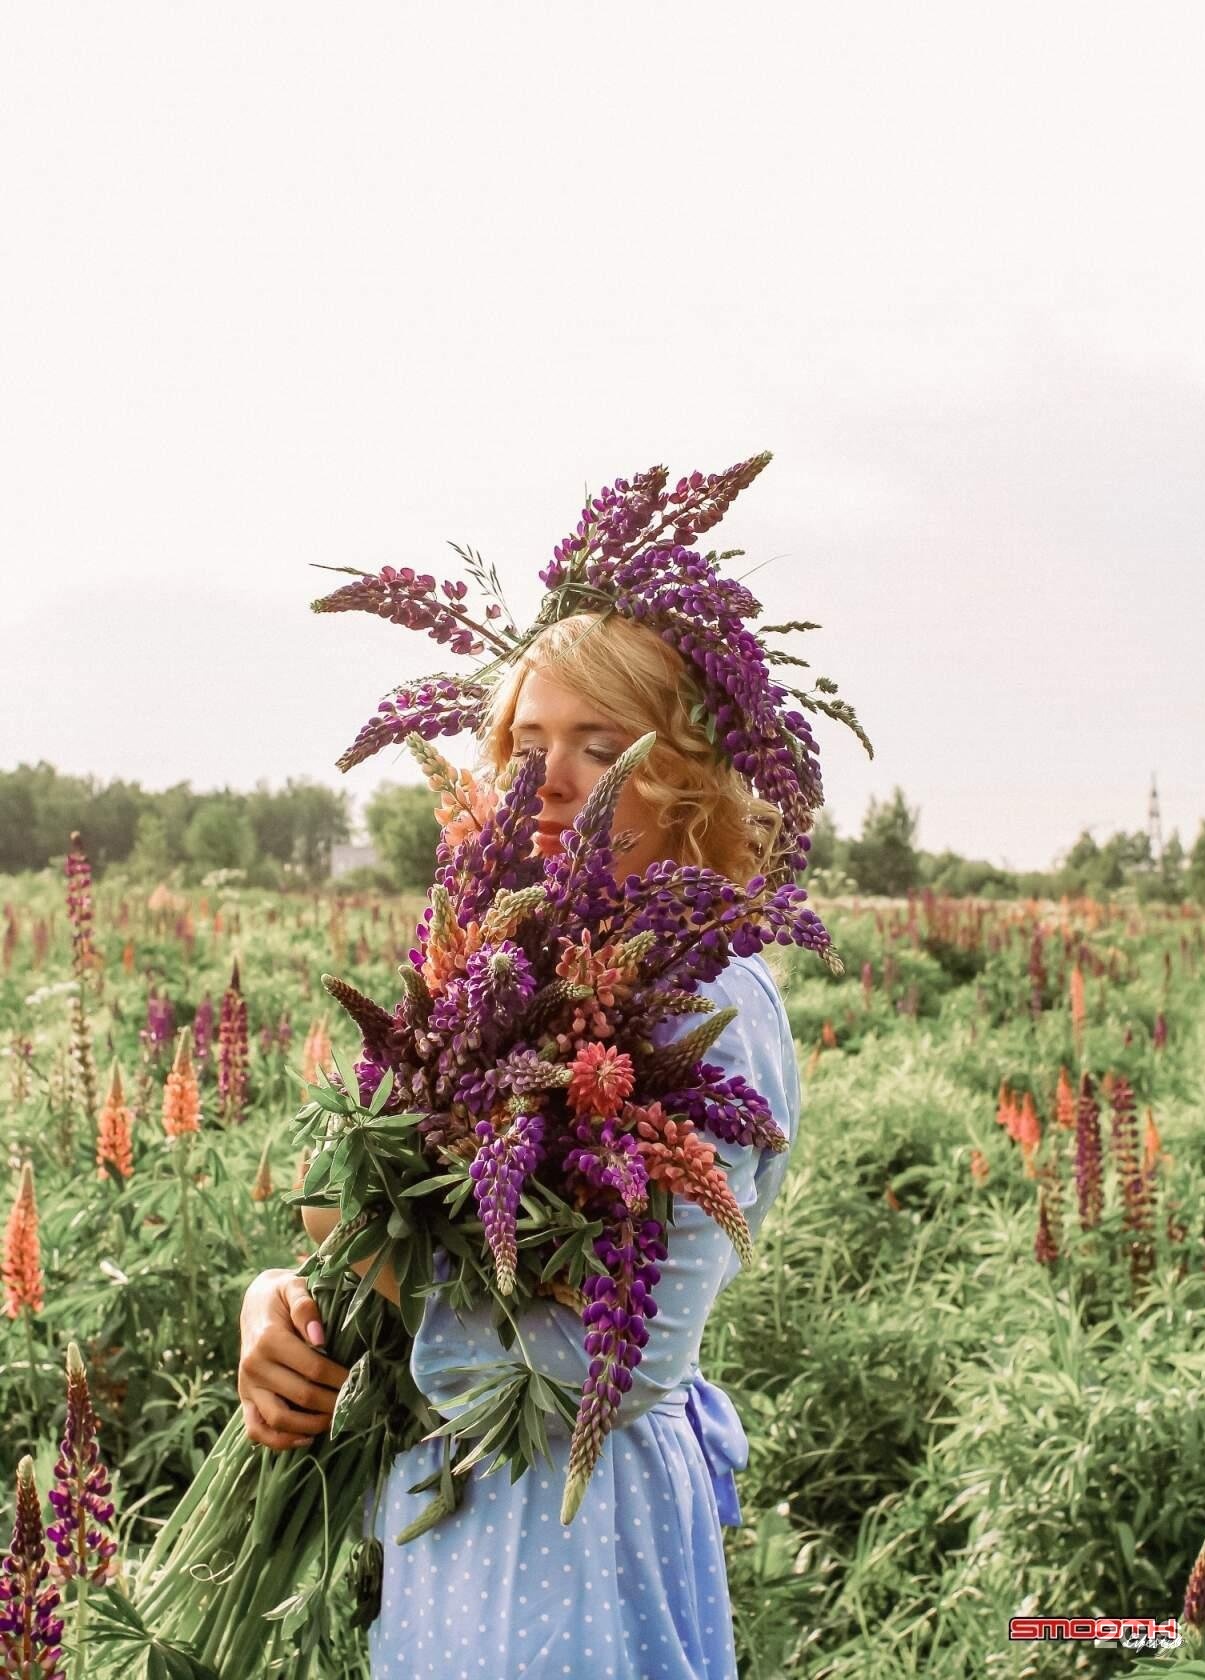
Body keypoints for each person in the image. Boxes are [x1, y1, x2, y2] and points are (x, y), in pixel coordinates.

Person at [238, 610, 804, 1679]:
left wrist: (381, 1279)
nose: (547, 780)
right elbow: (339, 1224)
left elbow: (615, 1366)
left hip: (573, 1533)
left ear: (693, 783)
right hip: (443, 1518)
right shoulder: (506, 960)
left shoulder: (709, 999)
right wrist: (284, 1302)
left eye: (602, 747)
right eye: (526, 744)